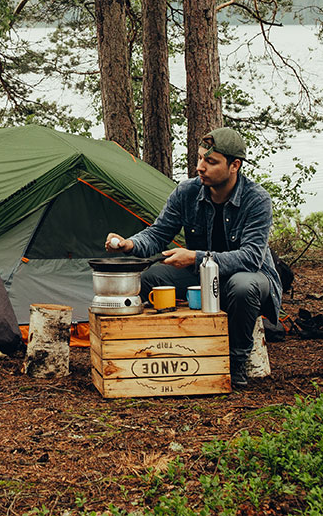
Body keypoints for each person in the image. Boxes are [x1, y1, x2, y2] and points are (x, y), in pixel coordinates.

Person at [104, 127, 282, 385]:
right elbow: (158, 233)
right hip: (200, 276)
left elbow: (250, 258)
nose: (200, 167)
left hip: (249, 277)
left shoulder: (256, 199)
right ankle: (155, 354)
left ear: (235, 165)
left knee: (242, 286)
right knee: (151, 278)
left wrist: (196, 257)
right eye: (199, 158)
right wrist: (129, 244)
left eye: (210, 162)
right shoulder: (187, 192)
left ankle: (235, 363)